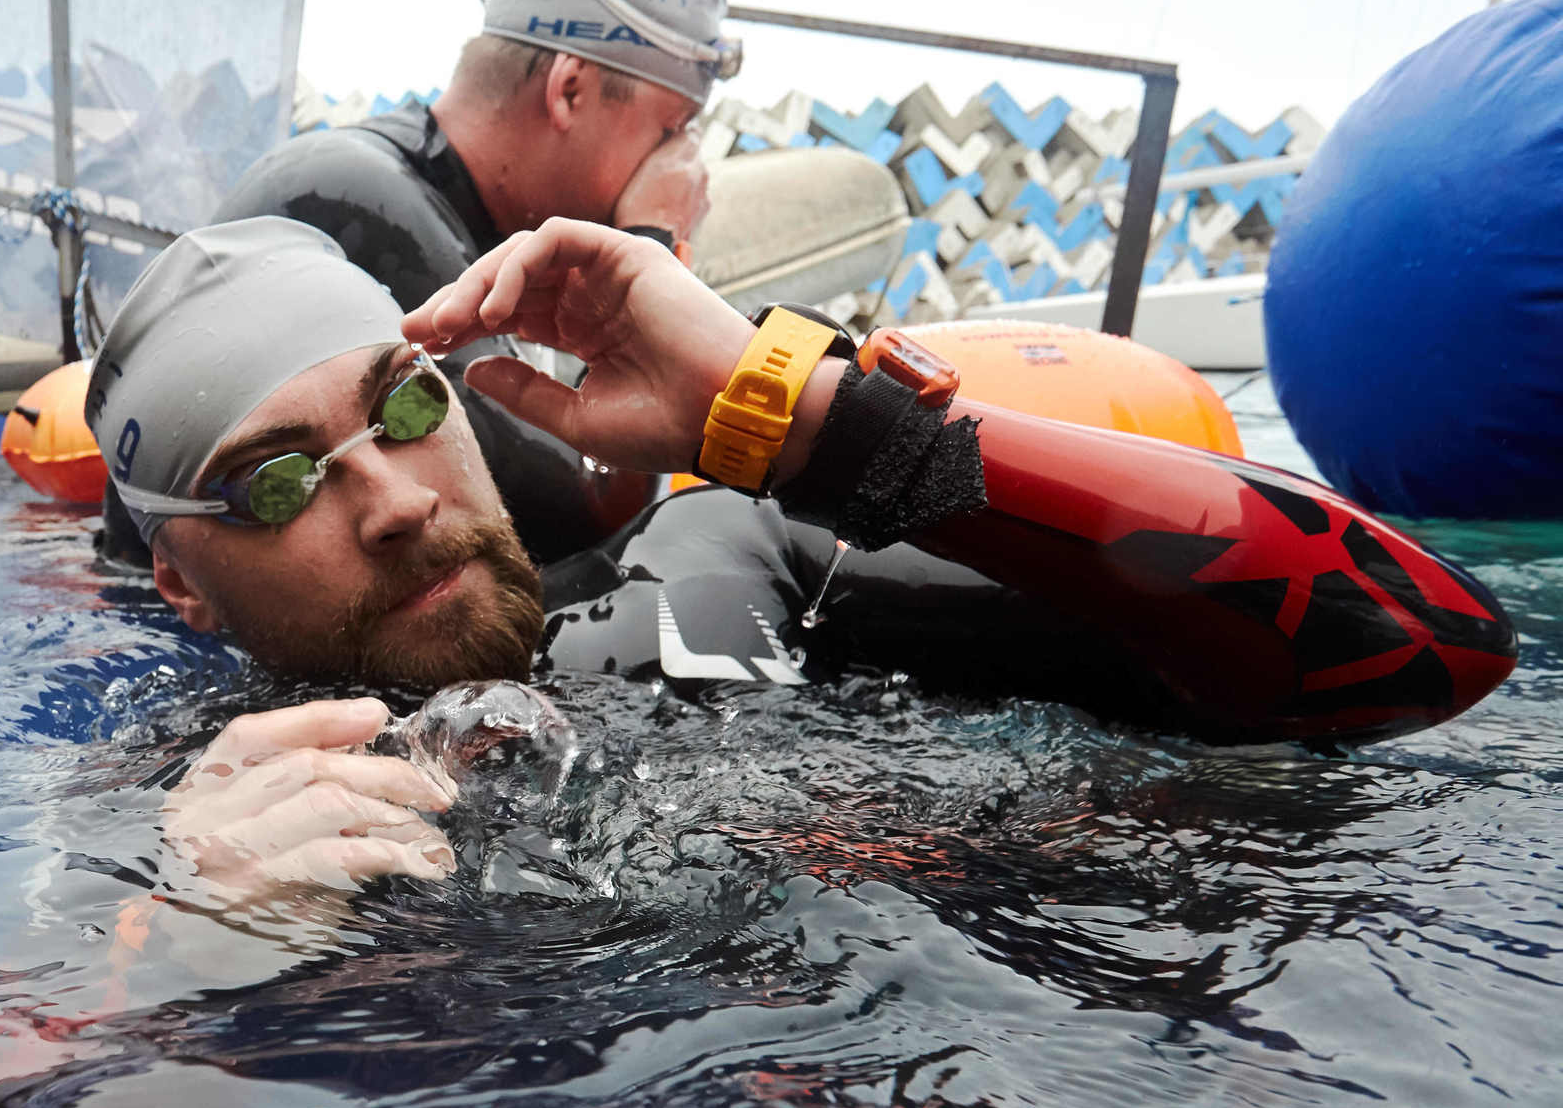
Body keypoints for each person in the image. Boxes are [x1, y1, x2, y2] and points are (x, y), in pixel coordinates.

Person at [85, 217, 1519, 900]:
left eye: (407, 403)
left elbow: (1423, 644)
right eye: (273, 483)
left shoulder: (732, 555)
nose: (392, 498)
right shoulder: (159, 825)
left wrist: (819, 426)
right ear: (182, 587)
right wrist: (201, 961)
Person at [192, 0, 734, 566]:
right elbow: (581, 519)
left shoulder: (410, 190)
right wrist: (652, 241)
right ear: (568, 90)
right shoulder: (357, 199)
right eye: (672, 131)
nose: (684, 168)